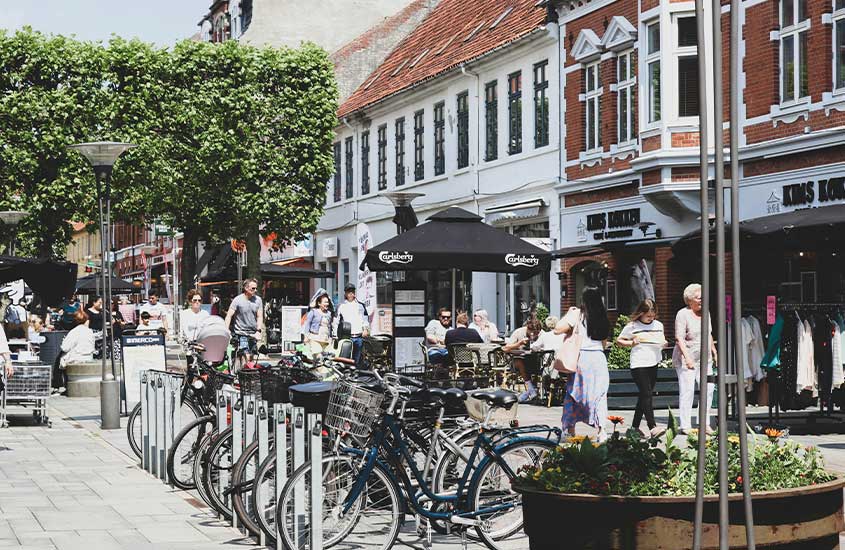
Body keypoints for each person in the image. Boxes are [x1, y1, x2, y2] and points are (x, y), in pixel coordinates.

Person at [555, 287, 612, 442]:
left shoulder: (577, 314)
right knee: (599, 395)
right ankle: (602, 431)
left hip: (582, 358)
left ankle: (569, 429)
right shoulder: (602, 317)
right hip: (599, 360)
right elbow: (604, 343)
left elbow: (557, 329)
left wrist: (569, 313)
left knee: (574, 394)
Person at [616, 299, 667, 436]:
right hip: (639, 363)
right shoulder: (632, 326)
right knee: (647, 394)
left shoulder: (658, 325)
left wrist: (664, 343)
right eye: (648, 316)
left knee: (644, 395)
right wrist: (631, 343)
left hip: (654, 361)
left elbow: (662, 340)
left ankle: (634, 428)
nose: (651, 318)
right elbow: (619, 341)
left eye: (653, 315)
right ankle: (653, 427)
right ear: (641, 314)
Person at [673, 283, 717, 434]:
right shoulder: (682, 314)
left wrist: (713, 349)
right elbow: (679, 338)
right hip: (687, 358)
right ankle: (685, 425)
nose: (702, 300)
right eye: (699, 298)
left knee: (709, 390)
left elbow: (709, 332)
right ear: (689, 300)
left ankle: (704, 423)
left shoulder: (706, 313)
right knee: (688, 390)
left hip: (705, 358)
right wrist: (687, 358)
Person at [503, 316, 544, 402]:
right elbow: (505, 348)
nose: (534, 335)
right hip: (518, 361)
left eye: (536, 333)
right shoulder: (519, 332)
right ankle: (531, 389)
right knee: (519, 361)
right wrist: (519, 343)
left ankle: (530, 391)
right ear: (527, 329)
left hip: (535, 360)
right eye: (532, 333)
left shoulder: (542, 334)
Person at [225, 278, 264, 368]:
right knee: (245, 355)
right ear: (246, 288)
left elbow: (260, 316)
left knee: (252, 356)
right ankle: (243, 373)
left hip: (253, 333)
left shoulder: (258, 300)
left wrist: (258, 330)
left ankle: (248, 375)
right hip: (241, 333)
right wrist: (226, 330)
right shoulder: (237, 300)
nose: (255, 290)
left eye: (256, 288)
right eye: (253, 288)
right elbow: (229, 315)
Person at [336, 284, 370, 368]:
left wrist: (365, 329)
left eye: (352, 292)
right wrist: (335, 335)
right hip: (346, 337)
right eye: (348, 292)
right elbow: (336, 321)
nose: (351, 294)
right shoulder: (341, 306)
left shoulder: (360, 305)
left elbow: (365, 318)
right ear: (345, 294)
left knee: (357, 358)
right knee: (346, 358)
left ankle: (355, 375)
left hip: (358, 336)